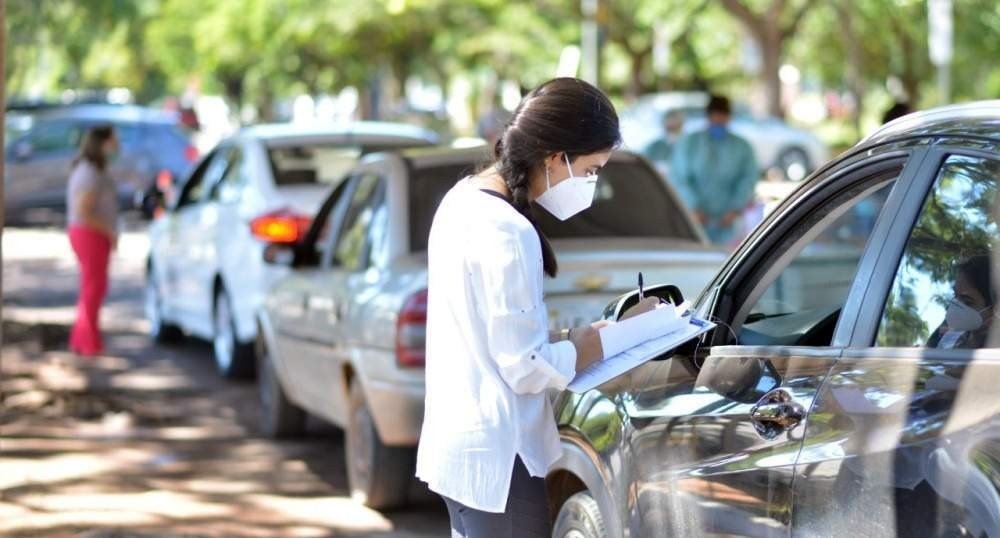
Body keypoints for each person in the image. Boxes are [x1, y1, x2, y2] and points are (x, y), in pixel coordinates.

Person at [416, 78, 658, 537]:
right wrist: (599, 345)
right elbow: (524, 366)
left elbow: (497, 337)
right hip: (501, 459)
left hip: (467, 452)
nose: (591, 182)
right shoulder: (507, 229)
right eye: (591, 169)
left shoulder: (462, 199)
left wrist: (580, 338)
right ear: (555, 158)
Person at [670, 95, 759, 245]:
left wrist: (735, 208)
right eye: (715, 118)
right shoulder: (690, 144)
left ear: (728, 118)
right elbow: (679, 178)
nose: (718, 122)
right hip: (694, 220)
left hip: (729, 223)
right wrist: (693, 207)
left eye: (722, 118)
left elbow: (748, 178)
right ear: (708, 117)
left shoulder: (742, 147)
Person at [66, 125, 120, 357]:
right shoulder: (90, 171)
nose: (118, 144)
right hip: (90, 234)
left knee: (93, 287)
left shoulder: (95, 169)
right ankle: (87, 342)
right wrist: (109, 231)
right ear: (103, 142)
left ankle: (85, 338)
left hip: (91, 233)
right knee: (93, 287)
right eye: (113, 139)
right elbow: (84, 211)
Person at [928, 254, 996, 349]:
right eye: (955, 295)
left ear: (995, 310)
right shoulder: (947, 330)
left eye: (967, 302)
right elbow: (928, 353)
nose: (956, 306)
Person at [642, 108, 685, 177]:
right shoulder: (654, 147)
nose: (673, 126)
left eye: (676, 127)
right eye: (670, 127)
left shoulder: (689, 146)